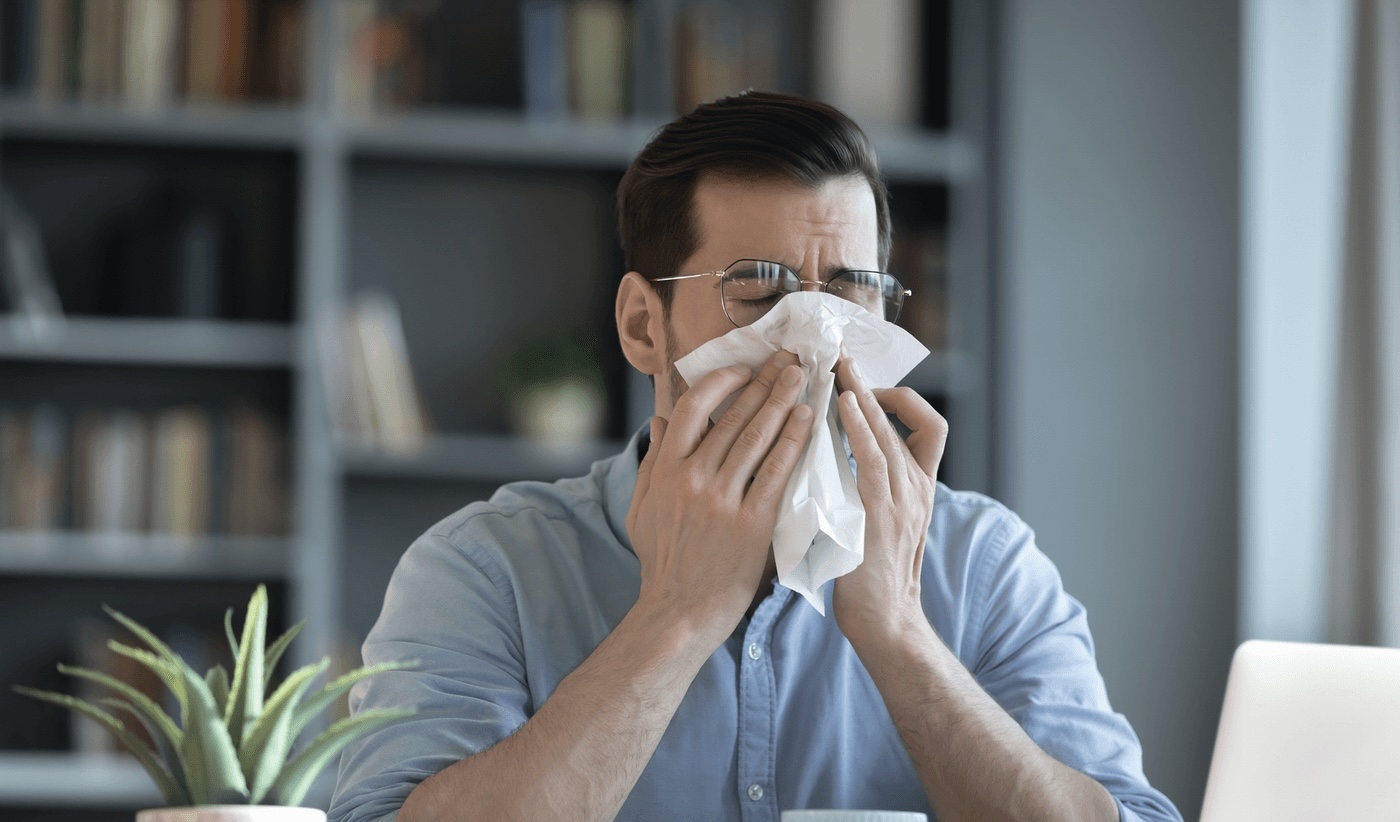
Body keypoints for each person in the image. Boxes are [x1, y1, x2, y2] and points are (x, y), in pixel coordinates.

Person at [329, 92, 1182, 822]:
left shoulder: (984, 566)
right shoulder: (486, 568)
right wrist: (676, 616)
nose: (814, 341)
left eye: (849, 292)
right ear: (641, 325)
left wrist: (898, 633)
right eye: (761, 291)